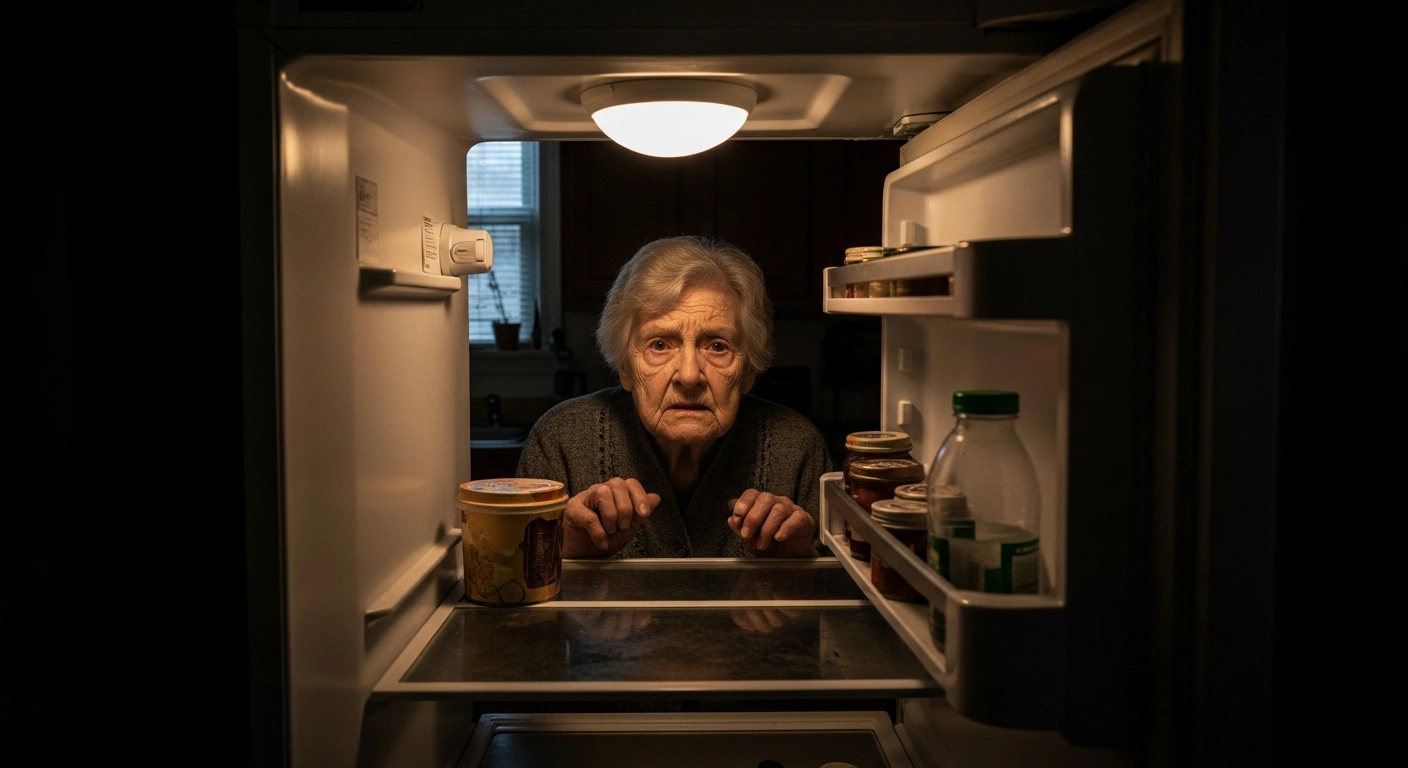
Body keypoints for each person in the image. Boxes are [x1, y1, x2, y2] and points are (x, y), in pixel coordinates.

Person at [517, 236, 832, 559]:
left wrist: (803, 566)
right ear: (625, 367)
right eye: (659, 345)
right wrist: (568, 554)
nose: (689, 376)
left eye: (717, 346)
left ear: (748, 371)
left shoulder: (798, 449)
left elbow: (836, 597)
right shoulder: (560, 440)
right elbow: (514, 582)